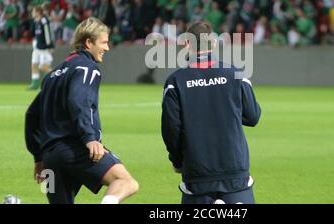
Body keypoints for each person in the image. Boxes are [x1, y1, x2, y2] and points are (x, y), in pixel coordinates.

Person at [25, 17, 139, 204]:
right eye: (103, 42)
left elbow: (31, 115)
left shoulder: (52, 75)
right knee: (125, 182)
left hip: (50, 159)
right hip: (75, 150)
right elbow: (80, 100)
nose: (107, 48)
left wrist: (38, 157)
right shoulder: (87, 67)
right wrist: (90, 137)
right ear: (88, 42)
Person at [161, 21, 261, 204]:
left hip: (197, 171)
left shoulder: (175, 81)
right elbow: (253, 116)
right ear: (214, 43)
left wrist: (177, 161)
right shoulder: (237, 73)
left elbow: (171, 129)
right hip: (234, 170)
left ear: (187, 44)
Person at [28, 6, 54, 90]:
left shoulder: (44, 21)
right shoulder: (36, 21)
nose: (32, 13)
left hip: (44, 48)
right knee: (34, 64)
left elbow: (47, 33)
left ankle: (56, 78)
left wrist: (50, 45)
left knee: (43, 66)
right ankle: (35, 83)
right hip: (37, 47)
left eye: (34, 11)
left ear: (38, 12)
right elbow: (32, 33)